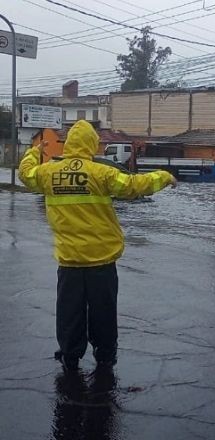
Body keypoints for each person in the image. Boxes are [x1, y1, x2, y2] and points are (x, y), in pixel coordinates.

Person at [19, 120, 177, 371]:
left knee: (69, 312)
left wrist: (34, 151)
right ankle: (105, 356)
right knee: (103, 311)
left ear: (69, 144)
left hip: (69, 260)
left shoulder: (48, 173)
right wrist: (163, 176)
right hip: (101, 260)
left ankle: (70, 355)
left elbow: (25, 174)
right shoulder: (101, 173)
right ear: (92, 144)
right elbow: (135, 186)